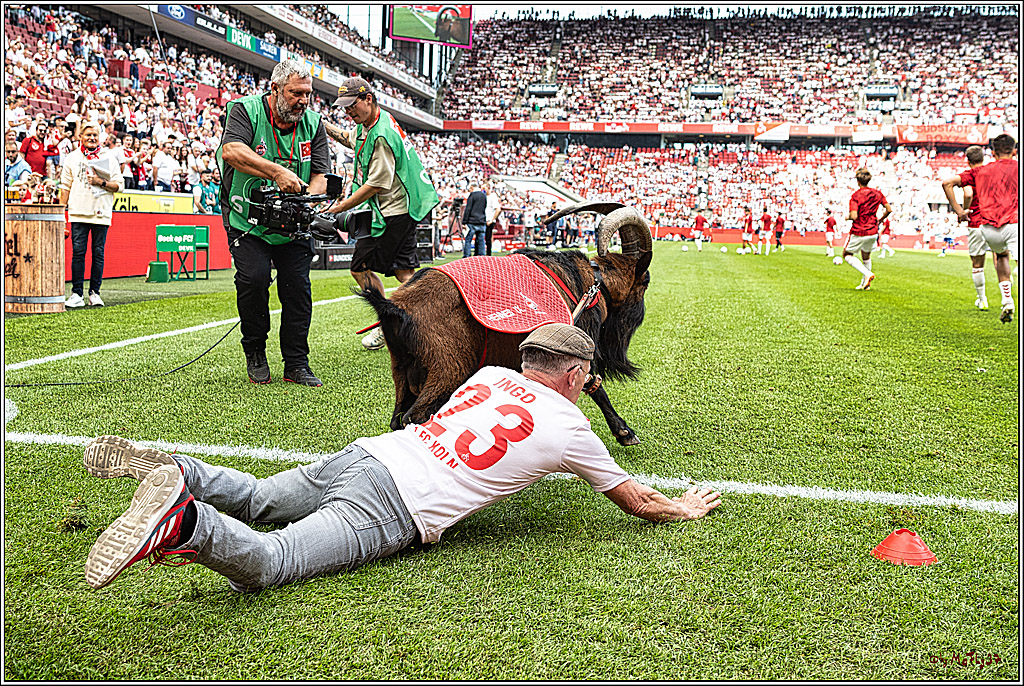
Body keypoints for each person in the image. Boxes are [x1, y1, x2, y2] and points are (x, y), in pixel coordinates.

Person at [81, 324, 722, 593]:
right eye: (586, 375)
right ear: (577, 372)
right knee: (273, 561)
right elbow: (635, 499)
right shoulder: (573, 425)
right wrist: (683, 507)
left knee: (258, 496)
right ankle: (183, 520)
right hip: (395, 503)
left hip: (367, 455)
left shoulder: (486, 375)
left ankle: (179, 469)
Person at [218, 58, 330, 386]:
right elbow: (232, 151)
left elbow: (321, 175)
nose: (303, 100)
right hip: (246, 219)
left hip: (294, 224)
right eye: (296, 93)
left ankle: (296, 362)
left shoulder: (314, 123)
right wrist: (277, 171)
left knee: (297, 289)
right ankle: (254, 349)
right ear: (275, 89)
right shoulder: (244, 110)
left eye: (308, 94)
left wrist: (309, 203)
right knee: (253, 280)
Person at [324, 77, 439, 351]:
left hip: (393, 212)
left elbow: (376, 184)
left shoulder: (382, 135)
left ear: (368, 99)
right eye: (344, 107)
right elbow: (351, 140)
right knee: (404, 271)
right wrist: (324, 126)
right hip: (406, 206)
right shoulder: (373, 122)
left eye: (352, 105)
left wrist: (341, 206)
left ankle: (388, 325)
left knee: (358, 268)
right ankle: (425, 325)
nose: (348, 112)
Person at [59, 123, 124, 308]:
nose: (92, 138)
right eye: (88, 135)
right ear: (81, 136)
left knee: (98, 253)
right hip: (78, 212)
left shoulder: (109, 157)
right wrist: (60, 212)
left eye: (95, 135)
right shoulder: (72, 158)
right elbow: (65, 186)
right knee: (78, 254)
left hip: (101, 212)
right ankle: (76, 294)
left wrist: (100, 182)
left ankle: (95, 293)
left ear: (100, 137)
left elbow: (120, 185)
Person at [966, 134, 1017, 323]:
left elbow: (950, 183)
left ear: (993, 152)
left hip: (988, 226)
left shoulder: (981, 171)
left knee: (1002, 256)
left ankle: (1006, 300)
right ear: (1014, 151)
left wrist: (961, 210)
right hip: (1014, 222)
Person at [942, 145, 991, 309]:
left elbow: (968, 193)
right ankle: (1007, 298)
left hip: (977, 221)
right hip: (997, 220)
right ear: (983, 158)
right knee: (1002, 257)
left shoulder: (970, 175)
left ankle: (982, 299)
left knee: (977, 262)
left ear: (968, 160)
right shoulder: (993, 171)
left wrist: (960, 211)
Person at [843, 168, 892, 291]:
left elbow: (854, 216)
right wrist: (880, 220)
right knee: (866, 256)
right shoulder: (877, 193)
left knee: (847, 255)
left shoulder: (855, 196)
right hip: (873, 230)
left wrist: (847, 217)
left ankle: (868, 274)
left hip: (859, 230)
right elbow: (889, 209)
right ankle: (865, 284)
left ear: (858, 181)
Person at [461, 181, 488, 259]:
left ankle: (467, 256)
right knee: (481, 241)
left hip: (472, 221)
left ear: (472, 188)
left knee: (468, 239)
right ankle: (482, 257)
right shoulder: (483, 195)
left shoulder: (472, 195)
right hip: (481, 220)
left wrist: (464, 221)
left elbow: (468, 209)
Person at [484, 180, 501, 255]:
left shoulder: (493, 196)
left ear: (488, 188)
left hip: (489, 220)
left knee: (488, 238)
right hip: (483, 220)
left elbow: (498, 209)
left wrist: (492, 220)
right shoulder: (484, 196)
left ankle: (488, 254)